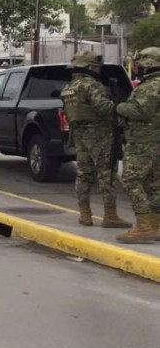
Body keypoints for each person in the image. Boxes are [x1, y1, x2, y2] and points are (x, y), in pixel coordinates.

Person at [60, 51, 129, 228]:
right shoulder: (92, 85)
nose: (98, 70)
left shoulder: (68, 88)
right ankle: (110, 215)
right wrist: (118, 106)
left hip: (79, 134)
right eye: (96, 67)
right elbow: (104, 109)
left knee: (83, 174)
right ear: (89, 67)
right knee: (107, 174)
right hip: (99, 134)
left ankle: (85, 214)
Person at [114, 46, 160, 242]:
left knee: (130, 180)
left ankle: (144, 226)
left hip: (143, 141)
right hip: (154, 140)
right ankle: (156, 225)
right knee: (154, 183)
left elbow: (139, 111)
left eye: (140, 64)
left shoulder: (151, 86)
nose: (139, 67)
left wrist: (119, 106)